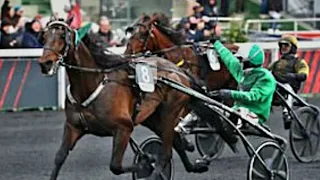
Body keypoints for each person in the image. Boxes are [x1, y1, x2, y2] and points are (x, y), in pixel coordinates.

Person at [175, 39, 277, 164]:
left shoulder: (266, 78)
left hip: (255, 114)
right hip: (236, 111)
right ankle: (180, 130)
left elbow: (253, 96)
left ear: (250, 63)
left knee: (231, 118)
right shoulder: (242, 72)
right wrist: (217, 44)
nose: (239, 63)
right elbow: (229, 59)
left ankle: (210, 154)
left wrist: (229, 93)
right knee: (205, 108)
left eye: (242, 61)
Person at [269, 34, 309, 129]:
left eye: (286, 45)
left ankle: (287, 114)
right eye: (281, 45)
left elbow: (304, 73)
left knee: (286, 86)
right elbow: (267, 71)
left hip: (289, 87)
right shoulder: (276, 63)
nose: (283, 47)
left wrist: (294, 76)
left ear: (293, 48)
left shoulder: (298, 61)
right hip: (275, 87)